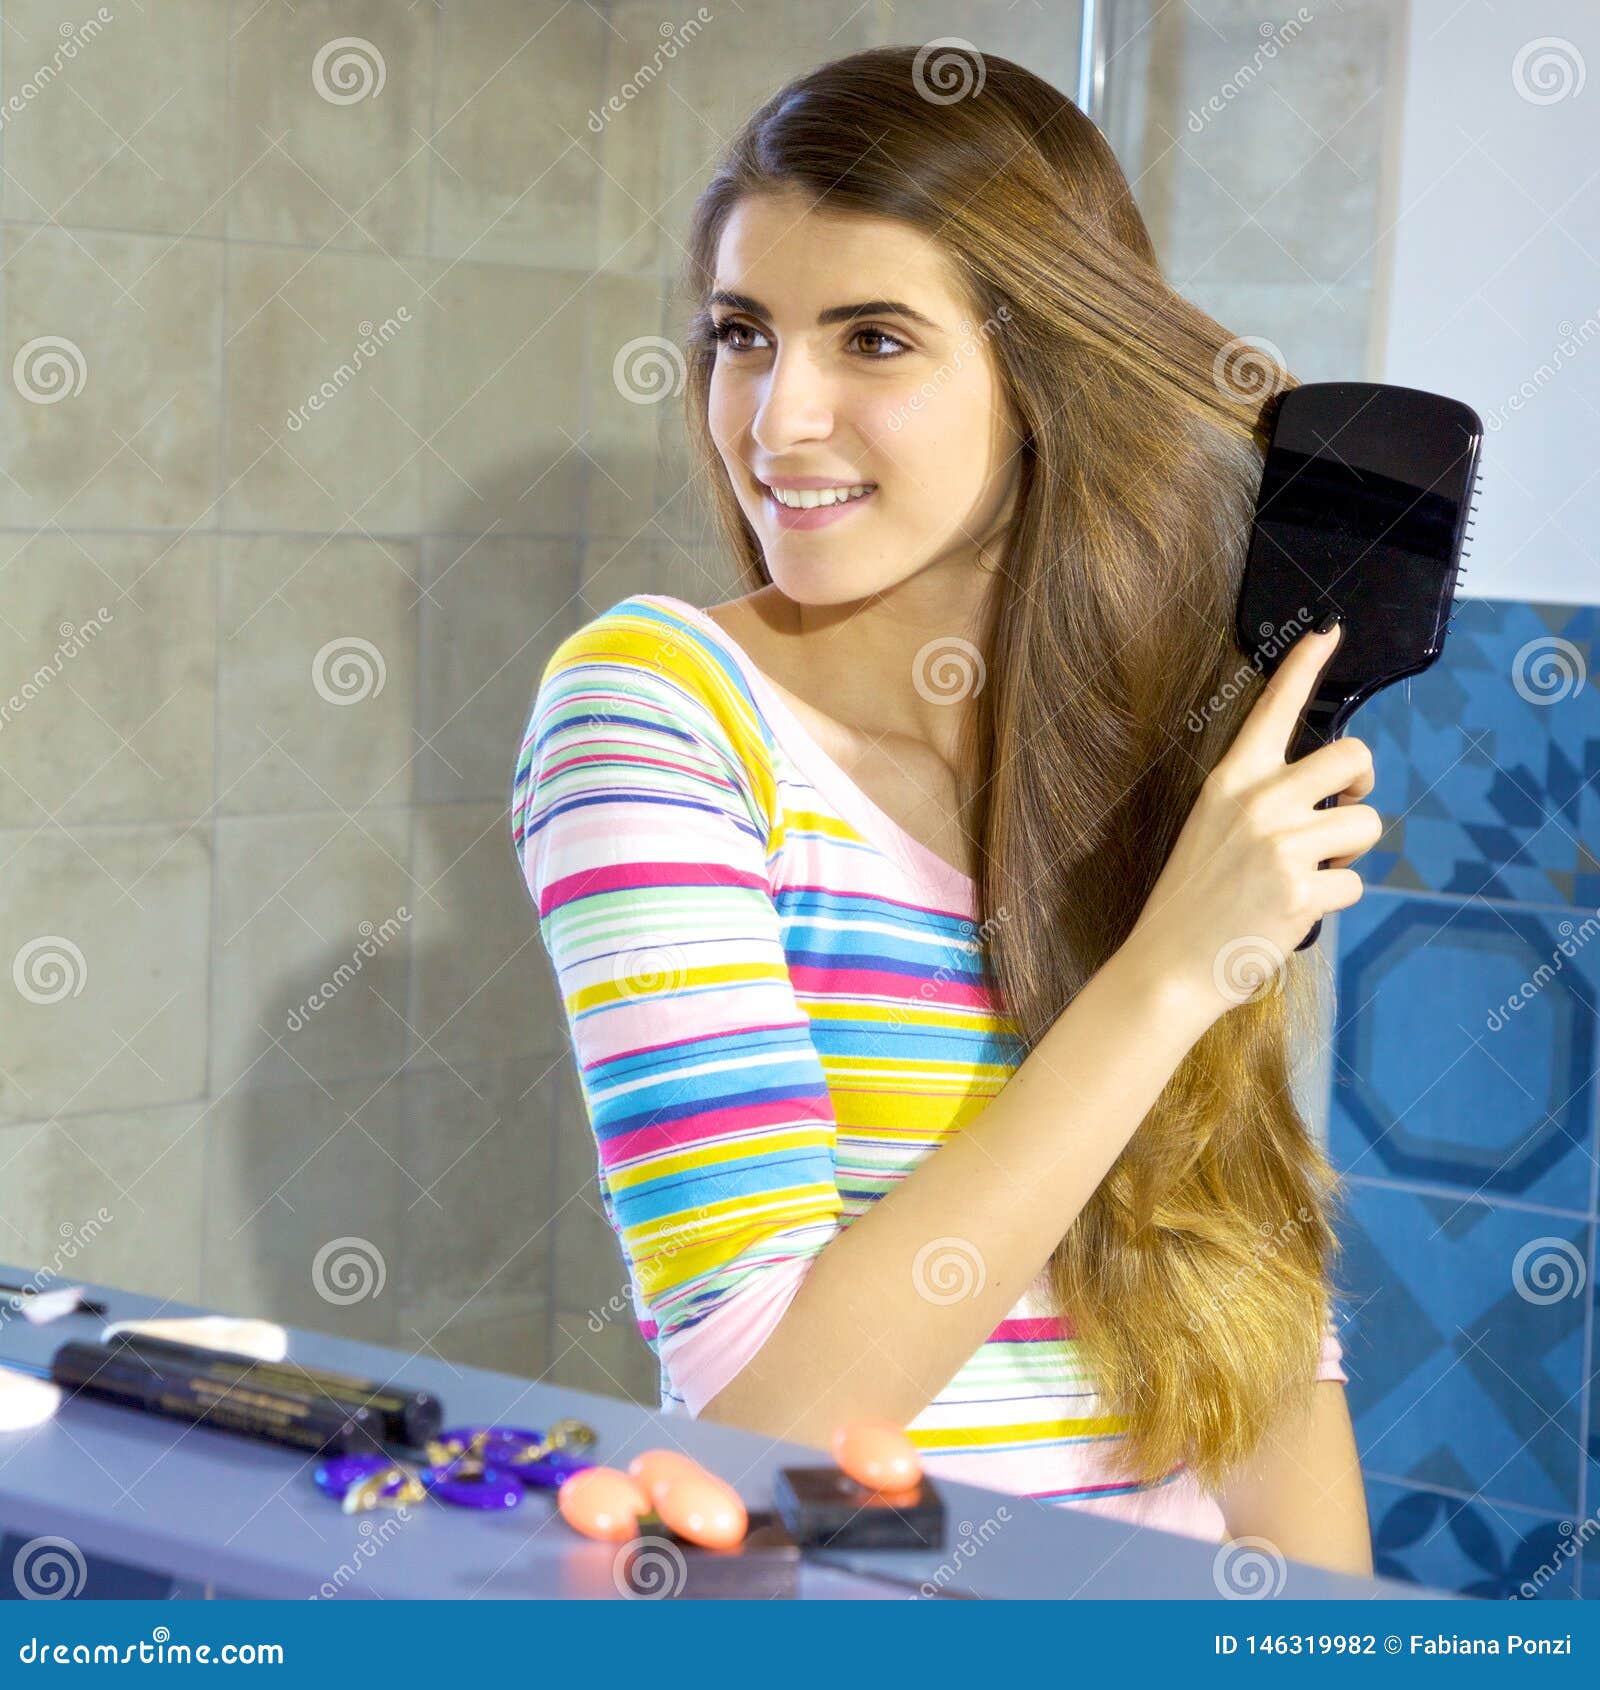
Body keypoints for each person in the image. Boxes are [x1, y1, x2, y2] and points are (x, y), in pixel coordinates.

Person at [511, 44, 1379, 1578]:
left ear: (1047, 375)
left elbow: (1253, 1331)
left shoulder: (1151, 747)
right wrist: (1171, 973)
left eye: (874, 340)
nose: (777, 419)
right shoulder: (659, 713)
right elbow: (765, 1423)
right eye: (741, 335)